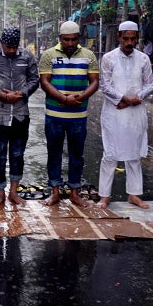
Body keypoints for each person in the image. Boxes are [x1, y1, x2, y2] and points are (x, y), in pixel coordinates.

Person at [39, 21, 100, 207]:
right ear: (60, 39)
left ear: (78, 38)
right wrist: (64, 99)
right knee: (54, 153)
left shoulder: (89, 56)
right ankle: (55, 192)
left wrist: (79, 97)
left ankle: (74, 192)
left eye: (74, 39)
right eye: (66, 39)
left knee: (77, 155)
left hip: (78, 116)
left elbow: (95, 82)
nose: (70, 43)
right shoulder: (49, 55)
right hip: (54, 115)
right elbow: (45, 82)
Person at [98, 21, 153, 209]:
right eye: (126, 39)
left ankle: (134, 195)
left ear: (137, 38)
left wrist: (136, 98)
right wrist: (122, 99)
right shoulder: (108, 58)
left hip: (135, 112)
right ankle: (104, 196)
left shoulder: (144, 59)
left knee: (134, 155)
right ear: (119, 37)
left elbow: (150, 84)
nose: (129, 42)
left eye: (133, 39)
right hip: (114, 112)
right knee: (110, 154)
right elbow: (105, 85)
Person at [0, 26, 39, 206]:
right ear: (1, 43)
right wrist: (3, 95)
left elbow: (34, 79)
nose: (12, 50)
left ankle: (13, 192)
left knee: (17, 153)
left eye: (14, 47)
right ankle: (0, 192)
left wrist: (21, 94)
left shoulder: (27, 56)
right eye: (8, 47)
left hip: (20, 114)